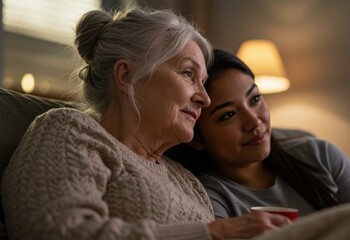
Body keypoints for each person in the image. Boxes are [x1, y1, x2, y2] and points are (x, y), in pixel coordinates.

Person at [1, 6, 292, 240]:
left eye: (203, 82)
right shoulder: (69, 131)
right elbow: (57, 231)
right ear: (127, 76)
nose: (204, 98)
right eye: (188, 74)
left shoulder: (185, 178)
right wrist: (211, 232)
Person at [166, 49, 350, 219]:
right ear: (196, 139)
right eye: (228, 115)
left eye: (255, 99)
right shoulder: (211, 198)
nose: (254, 122)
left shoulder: (321, 155)